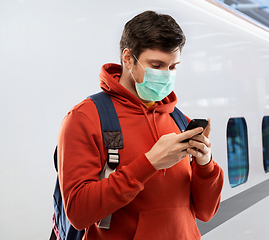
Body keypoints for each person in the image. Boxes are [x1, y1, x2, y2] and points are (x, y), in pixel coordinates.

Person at [57, 10, 224, 240]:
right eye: (156, 65)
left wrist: (205, 165)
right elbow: (78, 212)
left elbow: (206, 212)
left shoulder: (178, 119)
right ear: (128, 58)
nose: (166, 75)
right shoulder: (85, 118)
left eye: (173, 67)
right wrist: (149, 163)